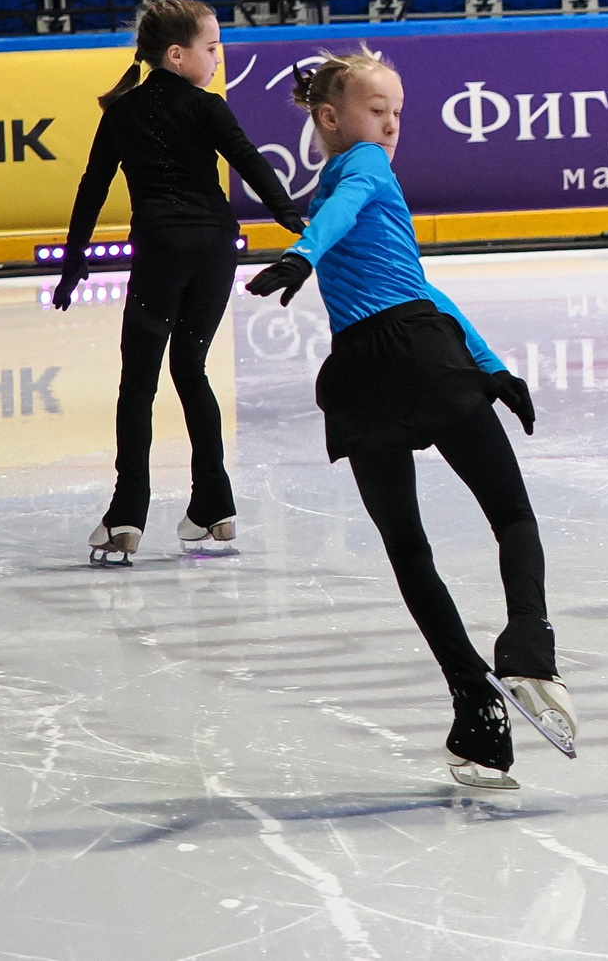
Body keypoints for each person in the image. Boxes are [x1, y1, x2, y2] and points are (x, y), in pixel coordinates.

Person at [243, 48, 574, 791]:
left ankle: (476, 710)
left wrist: (495, 366)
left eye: (396, 112)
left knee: (408, 549)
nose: (390, 125)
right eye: (374, 110)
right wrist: (301, 256)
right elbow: (345, 213)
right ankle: (527, 645)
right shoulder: (365, 168)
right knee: (513, 516)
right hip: (422, 355)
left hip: (362, 376)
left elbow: (421, 281)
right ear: (331, 118)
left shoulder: (342, 175)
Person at [56, 0, 305, 565]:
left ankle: (127, 513)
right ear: (176, 55)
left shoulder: (120, 113)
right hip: (216, 248)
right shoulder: (207, 107)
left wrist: (75, 258)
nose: (220, 57)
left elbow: (92, 186)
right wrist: (290, 216)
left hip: (163, 250)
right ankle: (215, 505)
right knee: (190, 368)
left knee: (139, 382)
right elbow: (249, 161)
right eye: (211, 48)